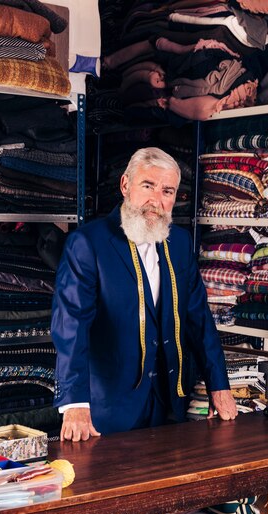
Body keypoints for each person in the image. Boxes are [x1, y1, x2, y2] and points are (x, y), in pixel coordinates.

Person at [51, 147, 237, 441]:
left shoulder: (179, 243)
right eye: (148, 186)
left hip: (169, 404)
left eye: (167, 191)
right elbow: (70, 328)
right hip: (107, 410)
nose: (156, 200)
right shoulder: (87, 243)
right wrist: (74, 404)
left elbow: (199, 320)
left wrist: (219, 385)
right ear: (125, 185)